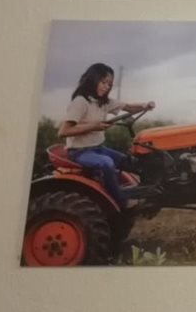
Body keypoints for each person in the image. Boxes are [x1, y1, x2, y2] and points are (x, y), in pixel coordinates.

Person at [58, 63, 154, 208]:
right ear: (93, 80)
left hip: (98, 148)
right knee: (106, 163)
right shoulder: (81, 102)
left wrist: (145, 105)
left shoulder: (103, 102)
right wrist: (94, 126)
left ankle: (150, 191)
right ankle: (119, 200)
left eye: (109, 84)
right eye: (103, 82)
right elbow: (63, 131)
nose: (106, 87)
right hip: (79, 152)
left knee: (127, 160)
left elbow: (127, 106)